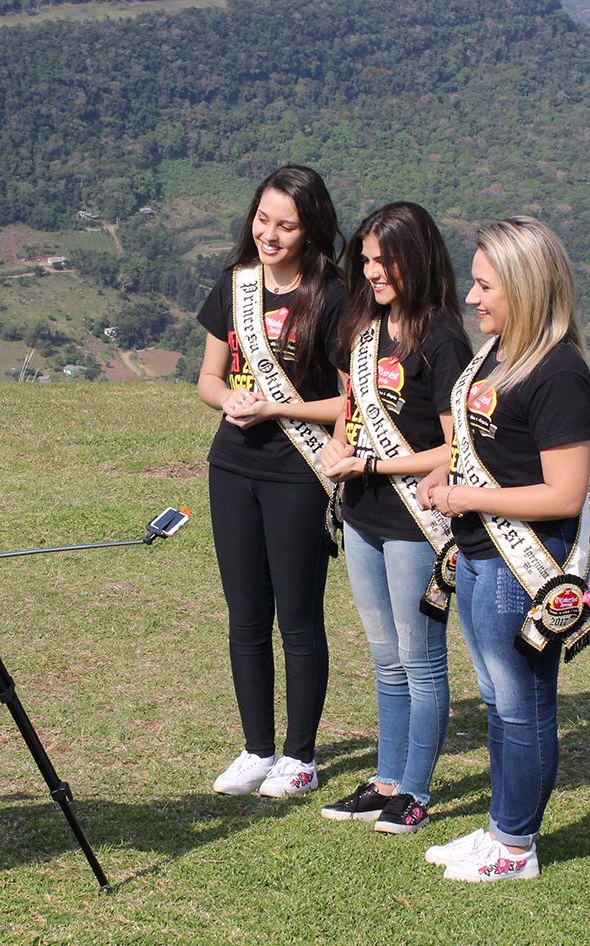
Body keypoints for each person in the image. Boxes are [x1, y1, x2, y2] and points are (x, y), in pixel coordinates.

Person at [417, 217, 590, 882]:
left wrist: (471, 500)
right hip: (479, 557)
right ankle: (501, 828)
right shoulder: (494, 354)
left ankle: (516, 846)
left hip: (518, 566)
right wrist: (449, 476)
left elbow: (563, 493)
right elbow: (488, 454)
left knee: (524, 706)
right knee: (499, 702)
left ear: (523, 288)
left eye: (485, 285)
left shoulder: (557, 372)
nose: (471, 298)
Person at [317, 202, 472, 834]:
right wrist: (335, 446)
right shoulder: (363, 325)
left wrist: (375, 469)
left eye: (384, 261)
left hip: (415, 519)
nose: (373, 272)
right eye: (367, 260)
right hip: (362, 515)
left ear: (416, 259)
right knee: (384, 657)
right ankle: (386, 780)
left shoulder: (441, 337)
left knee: (421, 658)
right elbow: (351, 406)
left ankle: (416, 791)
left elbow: (458, 446)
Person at [196, 165, 346, 799]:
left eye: (286, 225)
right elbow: (207, 378)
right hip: (233, 465)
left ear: (310, 229)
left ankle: (300, 756)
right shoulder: (238, 286)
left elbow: (351, 403)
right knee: (246, 615)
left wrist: (278, 407)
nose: (270, 235)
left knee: (299, 617)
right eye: (262, 220)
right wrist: (228, 401)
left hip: (299, 472)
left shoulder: (335, 295)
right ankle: (256, 748)